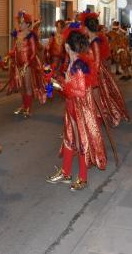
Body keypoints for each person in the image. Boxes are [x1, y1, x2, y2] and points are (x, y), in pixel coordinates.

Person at [45, 23, 113, 191]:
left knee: (82, 141)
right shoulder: (73, 63)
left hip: (80, 109)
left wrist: (58, 85)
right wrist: (55, 79)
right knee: (69, 139)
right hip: (72, 106)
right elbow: (71, 86)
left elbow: (79, 91)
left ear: (67, 46)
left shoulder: (79, 66)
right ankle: (66, 172)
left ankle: (83, 178)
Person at [79, 10, 129, 130]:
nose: (81, 28)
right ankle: (97, 119)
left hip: (96, 73)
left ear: (86, 27)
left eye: (82, 26)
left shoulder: (95, 41)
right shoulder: (91, 40)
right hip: (93, 71)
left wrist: (92, 76)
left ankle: (100, 120)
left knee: (100, 97)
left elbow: (96, 61)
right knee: (99, 97)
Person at [0, 10, 47, 118]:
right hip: (18, 64)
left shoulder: (31, 36)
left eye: (22, 23)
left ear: (28, 24)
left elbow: (33, 53)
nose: (20, 24)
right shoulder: (18, 35)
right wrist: (7, 56)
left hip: (27, 65)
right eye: (19, 22)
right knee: (22, 87)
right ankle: (24, 106)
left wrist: (27, 63)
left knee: (28, 86)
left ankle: (28, 108)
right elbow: (15, 50)